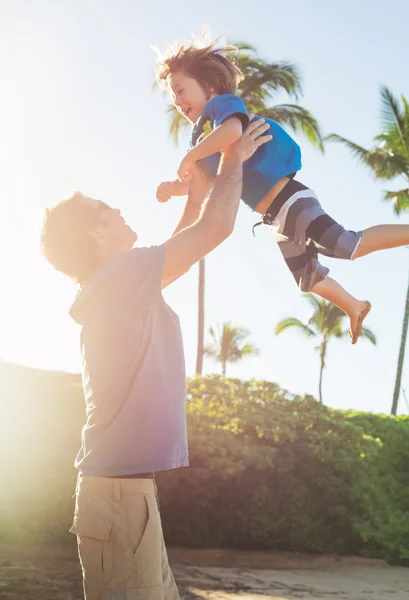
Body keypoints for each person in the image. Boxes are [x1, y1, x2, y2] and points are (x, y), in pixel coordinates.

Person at [40, 117, 271, 600]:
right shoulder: (119, 278)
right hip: (119, 495)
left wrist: (199, 183)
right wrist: (233, 156)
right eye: (107, 209)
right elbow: (215, 228)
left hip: (124, 494)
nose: (119, 208)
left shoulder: (119, 284)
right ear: (97, 235)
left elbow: (183, 242)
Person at [155, 35, 409, 344]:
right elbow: (205, 187)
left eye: (180, 91)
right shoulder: (204, 140)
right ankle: (355, 307)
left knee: (346, 243)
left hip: (291, 200)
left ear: (208, 86)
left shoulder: (223, 106)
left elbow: (233, 131)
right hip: (277, 219)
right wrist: (176, 187)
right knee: (308, 278)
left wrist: (190, 156)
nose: (178, 103)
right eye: (173, 98)